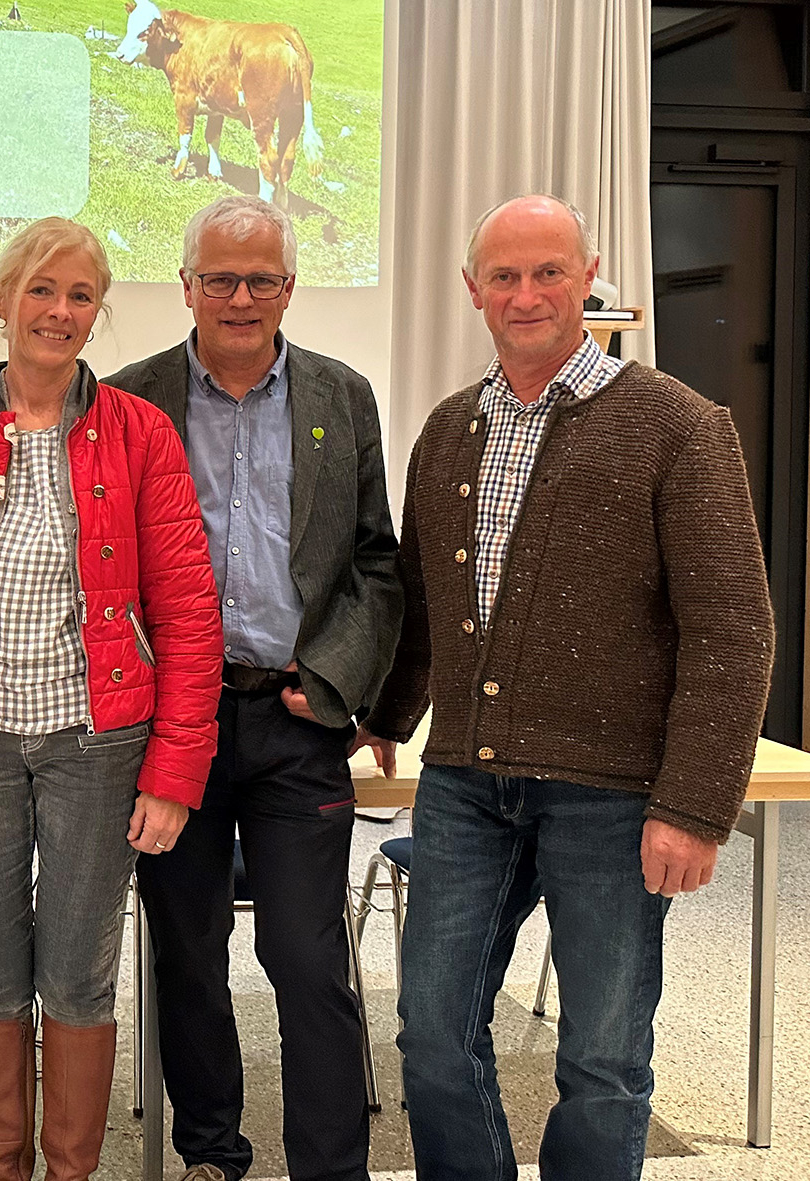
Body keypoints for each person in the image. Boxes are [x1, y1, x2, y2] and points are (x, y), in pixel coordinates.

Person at [357, 194, 774, 1181]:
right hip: (466, 782)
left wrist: (692, 807)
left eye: (548, 272)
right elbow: (424, 593)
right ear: (472, 290)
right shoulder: (448, 430)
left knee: (602, 1058)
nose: (526, 294)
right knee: (432, 1033)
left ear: (588, 279)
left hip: (612, 795)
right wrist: (388, 710)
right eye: (503, 275)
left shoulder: (679, 425)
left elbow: (733, 631)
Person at [0, 217, 224, 1181]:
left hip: (99, 748)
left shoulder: (141, 434)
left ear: (96, 313)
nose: (60, 312)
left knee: (77, 977)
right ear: (2, 300)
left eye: (80, 296)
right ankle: (2, 1170)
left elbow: (189, 614)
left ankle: (71, 1172)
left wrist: (174, 774)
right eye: (41, 290)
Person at [104, 194, 400, 1181]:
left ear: (288, 286)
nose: (240, 298)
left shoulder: (340, 397)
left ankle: (331, 1167)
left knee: (306, 958)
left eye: (260, 279)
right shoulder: (129, 398)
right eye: (221, 279)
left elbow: (374, 560)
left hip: (292, 720)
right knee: (186, 952)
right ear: (186, 285)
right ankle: (210, 1155)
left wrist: (340, 680)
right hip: (169, 729)